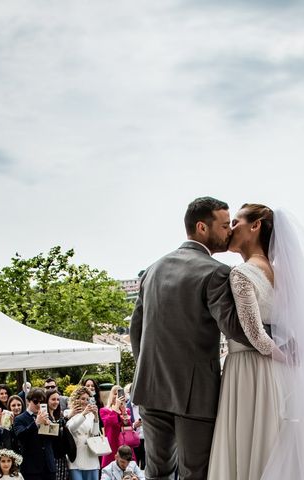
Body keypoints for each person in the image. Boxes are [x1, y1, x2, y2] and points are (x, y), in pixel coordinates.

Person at [129, 197, 252, 479]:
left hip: (151, 388)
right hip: (195, 395)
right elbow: (233, 327)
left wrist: (146, 370)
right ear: (201, 227)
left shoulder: (153, 269)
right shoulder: (216, 272)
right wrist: (277, 336)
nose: (229, 232)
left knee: (157, 472)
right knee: (195, 473)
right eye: (223, 226)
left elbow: (136, 329)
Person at [207, 203, 283, 480]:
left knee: (246, 444)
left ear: (256, 225)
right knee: (273, 441)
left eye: (236, 222)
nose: (230, 228)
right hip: (278, 373)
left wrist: (280, 355)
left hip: (248, 369)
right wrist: (287, 358)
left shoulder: (241, 273)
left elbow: (255, 335)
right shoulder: (282, 274)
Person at [13, 387, 56, 480]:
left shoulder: (47, 416)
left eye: (42, 402)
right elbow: (21, 436)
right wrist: (36, 423)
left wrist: (51, 426)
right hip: (31, 468)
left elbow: (54, 440)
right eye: (36, 401)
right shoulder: (19, 419)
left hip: (49, 466)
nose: (39, 404)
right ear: (28, 401)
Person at [65, 386, 100, 480]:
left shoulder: (91, 414)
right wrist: (83, 414)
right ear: (76, 399)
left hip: (91, 455)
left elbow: (95, 433)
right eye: (83, 399)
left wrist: (96, 417)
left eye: (88, 399)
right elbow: (72, 428)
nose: (85, 401)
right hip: (76, 456)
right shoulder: (69, 412)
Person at [99, 385, 133, 468]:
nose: (117, 396)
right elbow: (108, 423)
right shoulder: (104, 410)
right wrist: (116, 408)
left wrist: (123, 411)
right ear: (111, 395)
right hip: (111, 442)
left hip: (124, 443)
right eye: (115, 394)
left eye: (119, 394)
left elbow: (128, 425)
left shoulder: (126, 410)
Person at [46, 389, 69, 480]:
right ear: (47, 400)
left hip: (62, 457)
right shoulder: (44, 417)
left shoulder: (60, 417)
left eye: (58, 399)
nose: (56, 402)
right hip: (51, 458)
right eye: (53, 399)